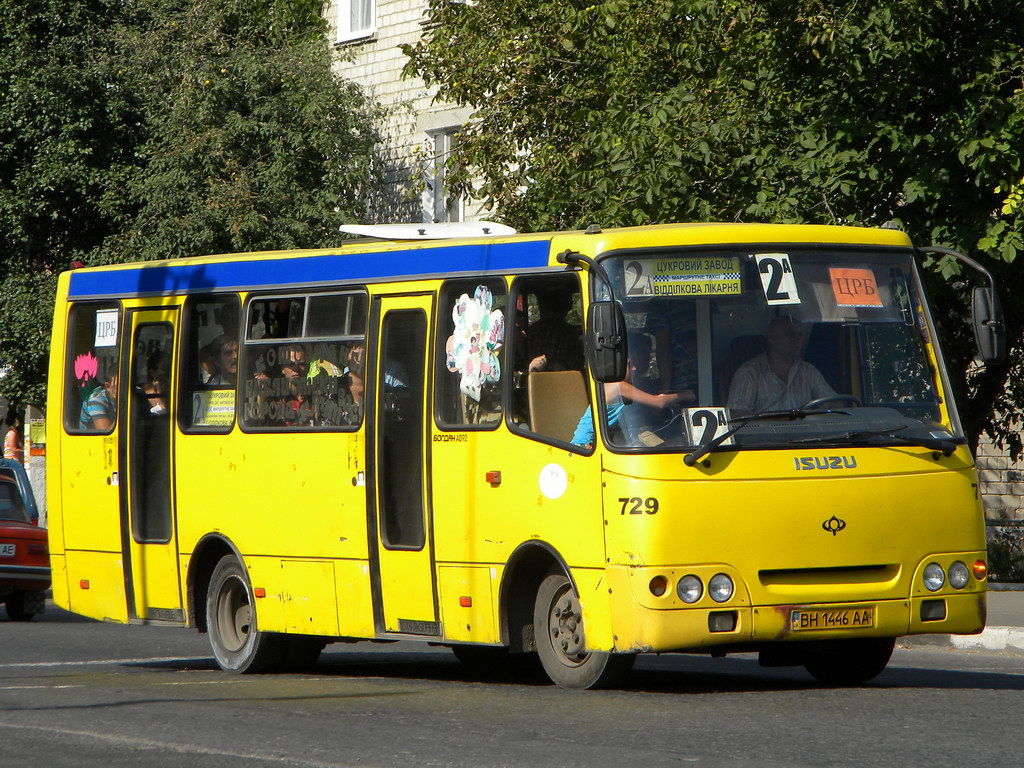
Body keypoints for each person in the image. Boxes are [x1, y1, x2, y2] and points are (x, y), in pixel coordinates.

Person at [571, 333, 688, 448]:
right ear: (616, 366)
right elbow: (658, 402)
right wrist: (688, 395)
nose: (634, 368)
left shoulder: (618, 385)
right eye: (628, 365)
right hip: (585, 445)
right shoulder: (617, 386)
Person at [727, 316, 836, 415]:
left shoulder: (808, 371)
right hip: (763, 436)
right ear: (772, 339)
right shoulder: (749, 373)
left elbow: (835, 402)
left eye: (800, 335)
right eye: (790, 334)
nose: (797, 340)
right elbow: (737, 415)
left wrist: (828, 407)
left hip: (806, 435)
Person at [525, 287, 584, 373]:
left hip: (536, 380)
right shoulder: (568, 332)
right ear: (566, 307)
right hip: (564, 382)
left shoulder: (532, 330)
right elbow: (576, 366)